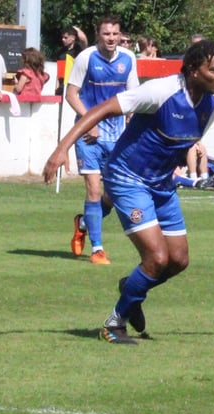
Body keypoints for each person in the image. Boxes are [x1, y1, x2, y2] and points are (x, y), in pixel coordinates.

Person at [43, 40, 214, 345]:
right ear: (195, 71)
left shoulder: (210, 101)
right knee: (155, 257)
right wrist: (61, 149)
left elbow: (179, 141)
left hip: (161, 184)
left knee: (178, 260)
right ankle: (114, 324)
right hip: (127, 178)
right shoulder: (160, 91)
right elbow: (102, 109)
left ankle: (132, 286)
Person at [66, 16, 139, 265]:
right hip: (88, 133)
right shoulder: (86, 58)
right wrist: (90, 120)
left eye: (115, 34)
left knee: (113, 195)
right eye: (106, 34)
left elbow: (133, 96)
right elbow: (71, 94)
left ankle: (84, 222)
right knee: (94, 190)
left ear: (120, 36)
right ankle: (98, 249)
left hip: (117, 136)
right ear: (98, 35)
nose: (111, 38)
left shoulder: (128, 59)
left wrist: (133, 119)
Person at [55, 26, 88, 95]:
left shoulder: (79, 49)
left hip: (75, 86)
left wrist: (77, 29)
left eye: (66, 37)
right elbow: (59, 73)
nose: (63, 39)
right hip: (62, 87)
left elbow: (84, 40)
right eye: (62, 37)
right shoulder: (60, 52)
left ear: (73, 38)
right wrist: (56, 88)